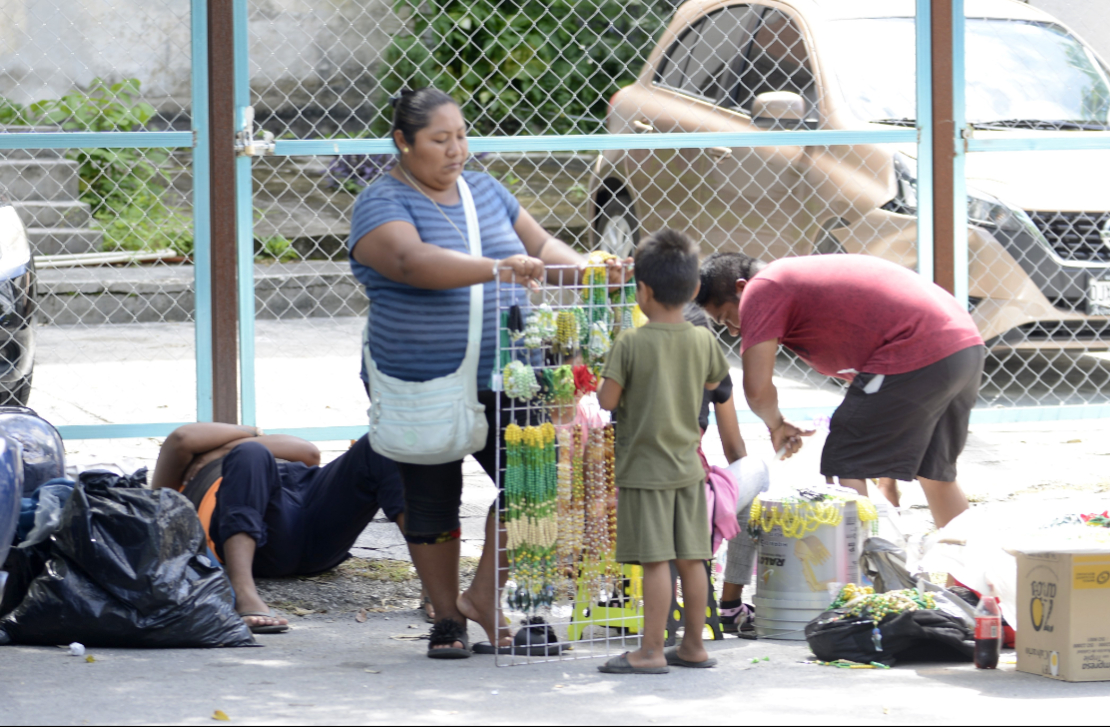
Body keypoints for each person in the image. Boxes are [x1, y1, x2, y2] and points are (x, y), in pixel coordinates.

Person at [349, 86, 599, 658]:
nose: (456, 149)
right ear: (403, 143)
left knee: (536, 483)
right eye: (440, 139)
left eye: (461, 135)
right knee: (432, 495)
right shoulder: (382, 201)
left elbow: (539, 247)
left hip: (513, 373)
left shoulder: (485, 190)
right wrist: (496, 270)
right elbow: (410, 262)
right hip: (424, 375)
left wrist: (594, 273)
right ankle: (446, 619)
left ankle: (490, 598)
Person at [696, 252, 986, 530]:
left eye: (725, 318)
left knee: (845, 457)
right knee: (936, 474)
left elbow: (757, 390)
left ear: (741, 287)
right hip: (963, 346)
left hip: (922, 346)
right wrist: (886, 477)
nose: (733, 331)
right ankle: (967, 576)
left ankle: (861, 575)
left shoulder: (763, 287)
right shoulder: (796, 291)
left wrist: (776, 425)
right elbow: (881, 407)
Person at [596, 229, 730, 673]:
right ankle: (694, 645)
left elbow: (607, 401)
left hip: (644, 471)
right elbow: (714, 384)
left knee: (656, 562)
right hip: (690, 468)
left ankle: (651, 650)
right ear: (694, 289)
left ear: (642, 291)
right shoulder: (703, 340)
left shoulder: (631, 343)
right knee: (693, 559)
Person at [152, 424, 404, 633]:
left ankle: (433, 584)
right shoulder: (183, 481)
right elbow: (181, 438)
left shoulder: (241, 449)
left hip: (314, 507)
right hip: (264, 538)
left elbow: (308, 452)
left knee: (378, 443)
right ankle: (244, 593)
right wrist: (242, 444)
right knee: (250, 454)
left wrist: (228, 446)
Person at [683, 304, 756, 637]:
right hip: (690, 492)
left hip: (623, 486)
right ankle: (730, 602)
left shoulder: (633, 356)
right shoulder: (711, 369)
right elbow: (735, 449)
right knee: (754, 473)